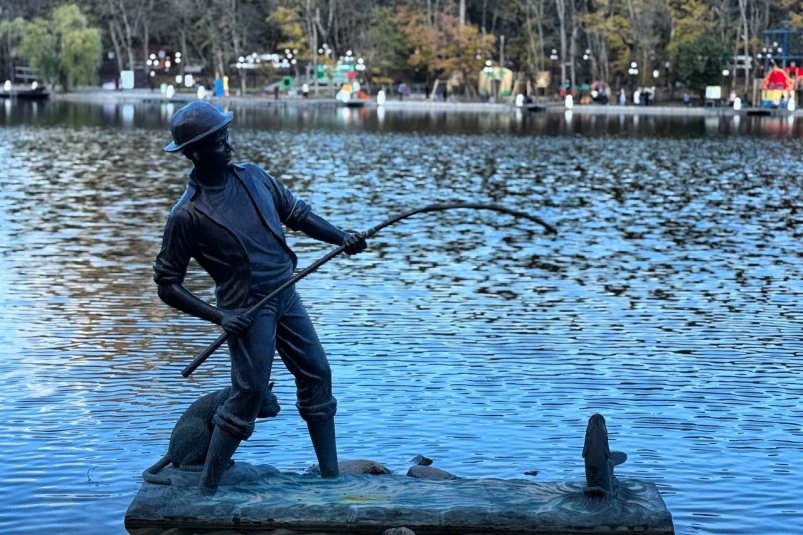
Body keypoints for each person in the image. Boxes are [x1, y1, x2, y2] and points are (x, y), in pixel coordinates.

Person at [154, 101, 367, 493]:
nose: (229, 146)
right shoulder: (187, 215)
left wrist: (341, 237)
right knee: (249, 394)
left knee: (317, 373)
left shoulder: (254, 177)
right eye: (219, 142)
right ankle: (207, 489)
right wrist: (219, 317)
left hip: (286, 294)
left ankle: (330, 476)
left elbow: (297, 214)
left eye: (226, 137)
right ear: (196, 152)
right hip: (248, 310)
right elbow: (167, 283)